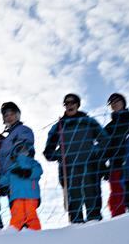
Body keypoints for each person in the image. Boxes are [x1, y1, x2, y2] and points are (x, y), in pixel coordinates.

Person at [43, 94, 109, 224]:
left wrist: (94, 152)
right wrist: (61, 155)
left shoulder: (89, 122)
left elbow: (105, 141)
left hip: (90, 167)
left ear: (78, 104)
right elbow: (48, 152)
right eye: (66, 103)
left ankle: (96, 228)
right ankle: (76, 230)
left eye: (72, 102)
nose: (69, 105)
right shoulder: (59, 126)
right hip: (69, 171)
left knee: (93, 202)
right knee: (75, 206)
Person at [1, 141, 43, 231]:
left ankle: (35, 233)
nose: (22, 151)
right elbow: (5, 179)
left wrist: (27, 173)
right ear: (15, 153)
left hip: (31, 195)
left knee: (30, 214)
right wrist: (1, 185)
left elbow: (38, 172)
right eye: (19, 149)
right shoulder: (12, 167)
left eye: (25, 149)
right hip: (17, 195)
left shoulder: (33, 164)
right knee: (17, 214)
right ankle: (14, 232)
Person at [103, 93, 129, 218]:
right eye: (111, 103)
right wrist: (104, 167)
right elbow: (104, 148)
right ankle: (118, 222)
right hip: (115, 166)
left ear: (123, 102)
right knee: (117, 197)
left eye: (116, 101)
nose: (114, 104)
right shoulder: (109, 127)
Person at [0, 102, 35, 180]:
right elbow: (2, 160)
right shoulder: (5, 140)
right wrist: (2, 180)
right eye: (6, 115)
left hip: (20, 173)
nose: (9, 117)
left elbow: (25, 147)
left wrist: (23, 167)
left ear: (17, 115)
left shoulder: (23, 129)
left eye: (12, 114)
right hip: (7, 178)